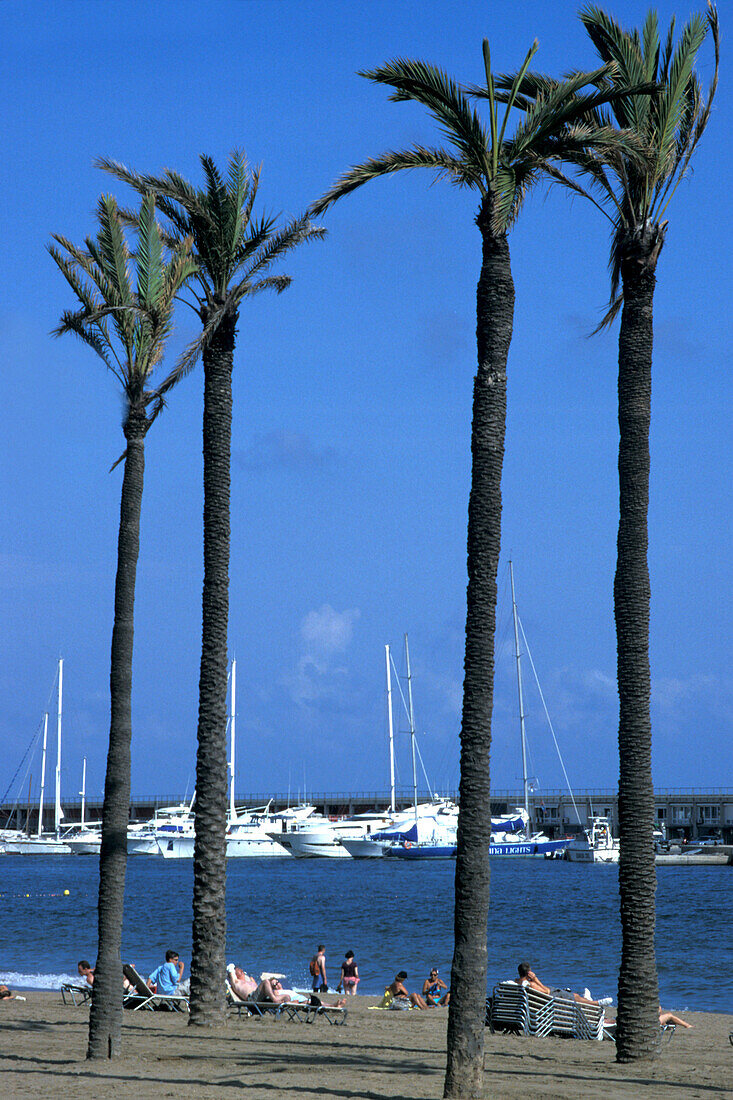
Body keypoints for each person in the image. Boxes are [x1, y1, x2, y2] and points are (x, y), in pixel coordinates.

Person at [515, 962, 610, 1007]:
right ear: (529, 973)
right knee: (574, 997)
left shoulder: (517, 982)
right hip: (551, 997)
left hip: (550, 993)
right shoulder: (530, 984)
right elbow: (545, 992)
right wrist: (535, 979)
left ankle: (587, 999)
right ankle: (596, 1003)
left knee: (574, 995)